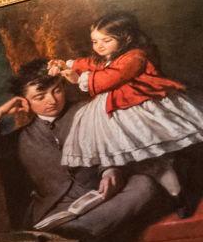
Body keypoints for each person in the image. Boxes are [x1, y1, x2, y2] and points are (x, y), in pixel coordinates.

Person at [0, 61, 166, 242]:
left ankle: (73, 234)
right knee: (57, 222)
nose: (52, 100)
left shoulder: (88, 111)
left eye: (56, 90)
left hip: (104, 194)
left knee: (144, 185)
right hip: (58, 209)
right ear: (24, 101)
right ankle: (75, 231)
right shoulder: (22, 137)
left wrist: (110, 169)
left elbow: (114, 141)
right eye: (40, 96)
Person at [50, 11, 203, 196]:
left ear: (125, 38)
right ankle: (172, 190)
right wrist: (68, 65)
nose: (99, 46)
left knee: (151, 149)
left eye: (106, 40)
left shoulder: (135, 56)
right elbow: (90, 63)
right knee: (141, 156)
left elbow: (111, 78)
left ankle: (179, 190)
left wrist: (78, 79)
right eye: (95, 41)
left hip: (137, 106)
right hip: (115, 108)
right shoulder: (108, 56)